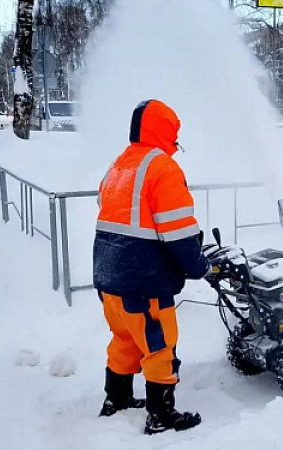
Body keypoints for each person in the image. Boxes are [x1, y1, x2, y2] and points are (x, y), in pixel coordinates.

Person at [93, 99, 211, 435]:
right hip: (143, 279)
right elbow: (179, 232)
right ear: (166, 130)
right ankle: (161, 414)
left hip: (108, 275)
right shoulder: (162, 168)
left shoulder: (119, 165)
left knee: (125, 338)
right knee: (159, 344)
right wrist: (199, 265)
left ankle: (115, 399)